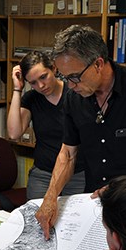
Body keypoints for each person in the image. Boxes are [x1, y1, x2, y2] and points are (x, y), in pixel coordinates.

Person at [35, 25, 126, 240]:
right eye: (65, 77)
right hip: (96, 205)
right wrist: (50, 198)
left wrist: (123, 187)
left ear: (98, 63)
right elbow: (68, 153)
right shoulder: (73, 98)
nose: (70, 85)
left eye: (75, 77)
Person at [7, 50, 85, 200]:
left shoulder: (75, 93)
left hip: (77, 173)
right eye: (33, 82)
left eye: (43, 77)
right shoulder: (31, 98)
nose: (41, 85)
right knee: (38, 218)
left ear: (54, 69)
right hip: (44, 174)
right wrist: (17, 89)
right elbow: (14, 133)